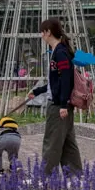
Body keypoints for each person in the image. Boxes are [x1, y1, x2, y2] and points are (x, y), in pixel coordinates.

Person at [28, 18, 83, 175]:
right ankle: (75, 175)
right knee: (67, 143)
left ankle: (45, 177)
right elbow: (56, 82)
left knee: (52, 142)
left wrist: (63, 104)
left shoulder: (60, 52)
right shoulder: (60, 51)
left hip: (58, 105)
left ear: (48, 32)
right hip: (62, 103)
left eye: (42, 32)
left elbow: (66, 79)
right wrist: (37, 91)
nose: (41, 35)